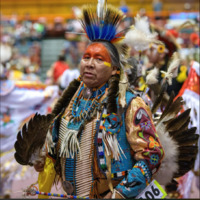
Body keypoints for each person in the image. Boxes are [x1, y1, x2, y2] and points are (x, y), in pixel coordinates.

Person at [14, 2, 198, 199]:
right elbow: (63, 144)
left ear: (114, 69)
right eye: (86, 57)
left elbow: (151, 156)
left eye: (99, 59)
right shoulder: (70, 104)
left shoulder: (129, 104)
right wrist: (46, 157)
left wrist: (121, 193)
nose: (90, 64)